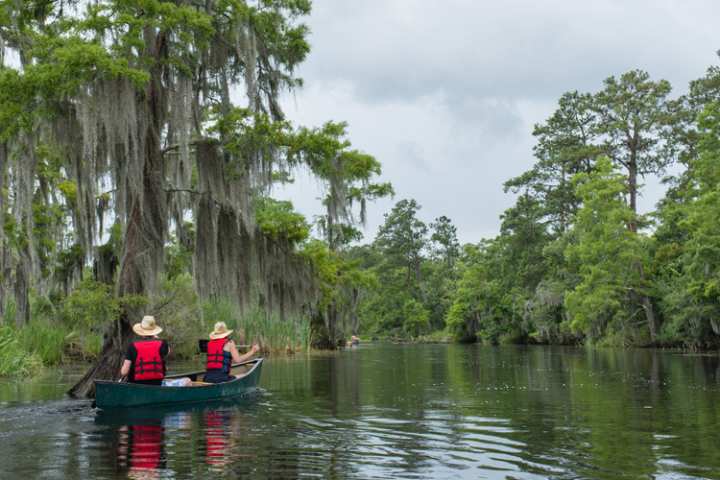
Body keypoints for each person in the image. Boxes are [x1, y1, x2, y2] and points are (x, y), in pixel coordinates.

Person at [120, 315, 169, 386]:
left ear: (141, 332)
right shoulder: (163, 344)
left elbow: (124, 372)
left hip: (136, 385)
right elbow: (168, 351)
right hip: (157, 384)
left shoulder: (132, 346)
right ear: (154, 332)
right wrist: (157, 338)